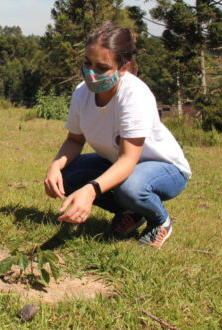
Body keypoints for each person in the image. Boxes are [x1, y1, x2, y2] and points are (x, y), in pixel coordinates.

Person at [43, 22, 190, 248]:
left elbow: (128, 160)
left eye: (102, 68)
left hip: (164, 169)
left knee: (130, 188)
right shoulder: (82, 93)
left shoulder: (134, 95)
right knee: (68, 176)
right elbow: (74, 140)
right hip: (119, 164)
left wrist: (91, 191)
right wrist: (55, 167)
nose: (91, 74)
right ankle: (131, 212)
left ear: (123, 67)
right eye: (87, 63)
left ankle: (160, 220)